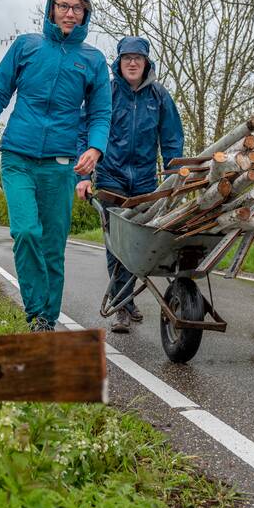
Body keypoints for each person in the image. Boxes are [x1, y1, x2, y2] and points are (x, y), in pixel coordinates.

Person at [0, 0, 112, 331]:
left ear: (85, 14)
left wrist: (95, 148)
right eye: (63, 6)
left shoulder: (93, 61)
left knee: (52, 245)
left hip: (60, 165)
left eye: (77, 8)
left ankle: (47, 318)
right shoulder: (26, 46)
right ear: (51, 9)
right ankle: (35, 312)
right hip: (18, 156)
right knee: (26, 231)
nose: (69, 13)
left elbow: (100, 113)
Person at [76, 36, 183, 333]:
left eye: (138, 58)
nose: (132, 63)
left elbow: (172, 140)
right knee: (118, 245)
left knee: (138, 244)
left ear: (147, 63)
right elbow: (84, 134)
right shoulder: (106, 94)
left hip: (146, 182)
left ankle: (126, 299)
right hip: (111, 178)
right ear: (119, 62)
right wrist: (83, 177)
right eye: (127, 58)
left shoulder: (159, 97)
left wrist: (175, 178)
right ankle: (122, 307)